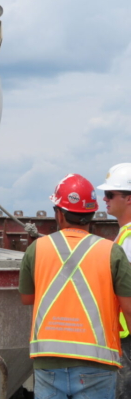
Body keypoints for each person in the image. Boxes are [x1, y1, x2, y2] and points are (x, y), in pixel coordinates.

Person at [19, 173, 131, 399]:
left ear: (59, 214)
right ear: (92, 214)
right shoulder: (111, 251)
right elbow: (129, 308)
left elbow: (27, 298)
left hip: (48, 360)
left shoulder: (37, 248)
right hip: (98, 363)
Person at [98, 163, 131, 399]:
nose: (104, 199)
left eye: (110, 194)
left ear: (128, 198)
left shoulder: (129, 238)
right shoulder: (124, 235)